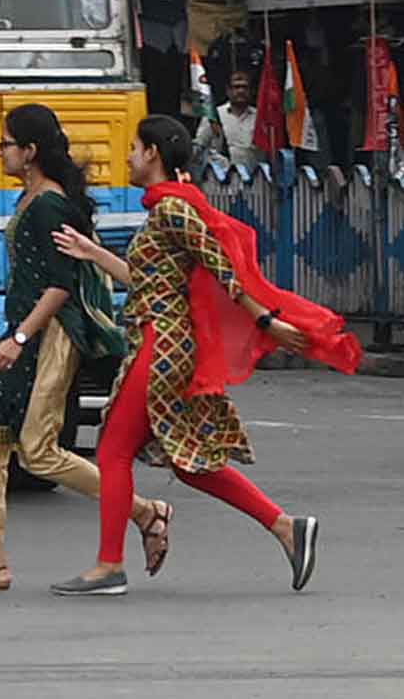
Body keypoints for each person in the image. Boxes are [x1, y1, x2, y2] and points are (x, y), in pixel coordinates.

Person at [50, 114, 362, 597]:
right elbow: (145, 278)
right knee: (189, 463)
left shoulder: (173, 210)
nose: (129, 157)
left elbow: (222, 266)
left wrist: (264, 320)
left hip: (162, 344)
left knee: (112, 450)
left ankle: (109, 565)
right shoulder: (166, 208)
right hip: (164, 342)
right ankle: (286, 527)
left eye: (135, 148)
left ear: (153, 153)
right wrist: (93, 253)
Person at [0, 104, 175, 592]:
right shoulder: (30, 199)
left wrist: (21, 339)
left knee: (39, 453)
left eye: (7, 143)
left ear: (30, 152)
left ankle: (146, 511)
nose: (0, 151)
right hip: (22, 330)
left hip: (48, 335)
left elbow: (61, 285)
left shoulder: (48, 204)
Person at [194, 69, 263, 170]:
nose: (241, 91)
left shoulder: (260, 118)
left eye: (244, 87)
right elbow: (199, 146)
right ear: (228, 90)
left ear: (251, 91)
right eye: (236, 87)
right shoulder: (214, 116)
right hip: (221, 179)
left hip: (254, 179)